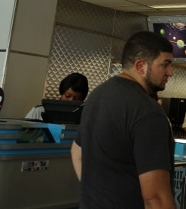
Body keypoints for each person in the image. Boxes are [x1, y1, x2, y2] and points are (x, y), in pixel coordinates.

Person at [71, 31, 176, 209]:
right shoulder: (148, 112)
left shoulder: (98, 95)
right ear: (140, 66)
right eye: (164, 65)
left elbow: (77, 153)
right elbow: (156, 198)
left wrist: (100, 197)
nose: (170, 72)